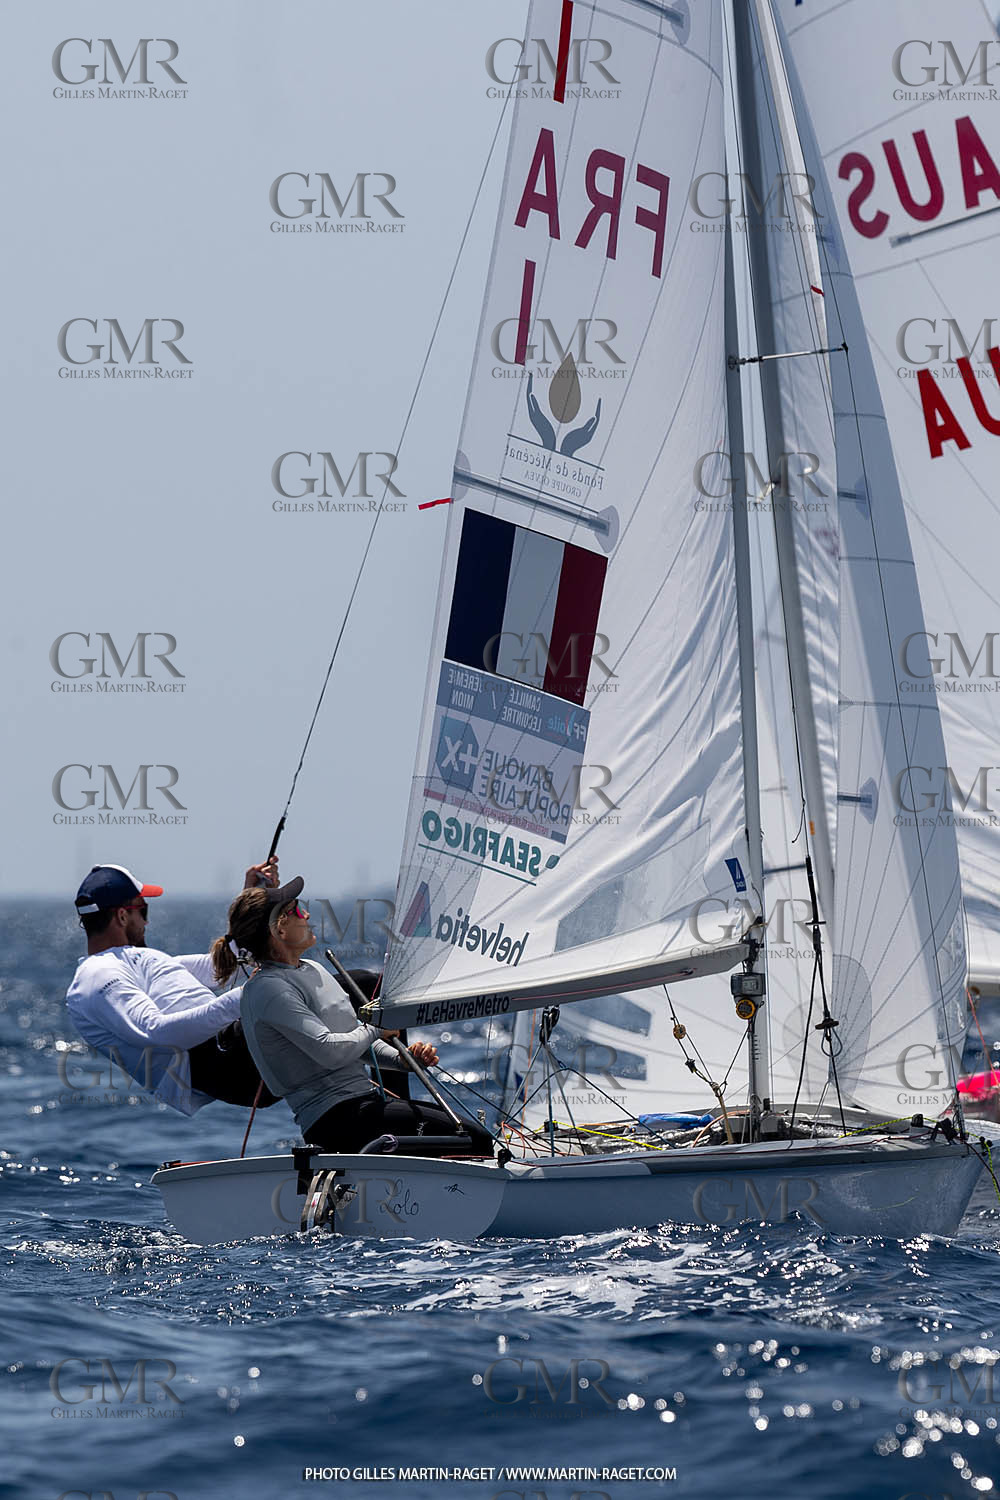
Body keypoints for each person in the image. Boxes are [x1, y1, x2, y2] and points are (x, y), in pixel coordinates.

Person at [218, 878, 495, 1156]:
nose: (308, 915)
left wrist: (402, 1061)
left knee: (473, 1137)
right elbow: (331, 1051)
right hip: (335, 1120)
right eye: (298, 910)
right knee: (477, 1141)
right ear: (279, 928)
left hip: (363, 1107)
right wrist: (374, 1028)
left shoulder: (312, 968)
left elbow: (355, 1040)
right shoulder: (267, 988)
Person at [66, 861, 281, 1115]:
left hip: (227, 1047)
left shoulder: (131, 961)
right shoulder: (97, 976)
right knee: (330, 989)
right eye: (143, 911)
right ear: (122, 916)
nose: (146, 922)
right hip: (217, 1061)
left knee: (335, 988)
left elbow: (223, 964)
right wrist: (253, 994)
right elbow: (156, 1032)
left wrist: (251, 899)